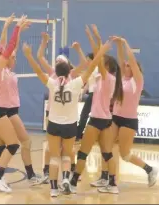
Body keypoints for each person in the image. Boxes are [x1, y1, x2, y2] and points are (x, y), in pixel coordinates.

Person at [23, 37, 111, 197]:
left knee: (54, 157)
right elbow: (91, 67)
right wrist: (101, 52)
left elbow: (37, 70)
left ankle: (54, 189)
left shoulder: (52, 83)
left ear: (56, 72)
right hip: (70, 126)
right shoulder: (76, 83)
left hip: (54, 124)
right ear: (69, 70)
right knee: (66, 155)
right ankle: (65, 178)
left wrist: (28, 55)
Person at [0, 14, 40, 193]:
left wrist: (8, 28)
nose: (9, 54)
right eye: (2, 52)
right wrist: (17, 27)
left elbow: (9, 46)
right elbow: (9, 46)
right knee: (13, 145)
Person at [90, 36, 158, 190]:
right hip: (116, 118)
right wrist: (119, 45)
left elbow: (130, 60)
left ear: (134, 69)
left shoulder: (138, 80)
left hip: (129, 120)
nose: (125, 66)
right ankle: (104, 177)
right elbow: (122, 60)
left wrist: (126, 43)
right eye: (125, 66)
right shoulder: (122, 79)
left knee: (125, 154)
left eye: (128, 66)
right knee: (106, 146)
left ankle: (150, 169)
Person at [69, 25, 124, 195]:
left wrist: (96, 39)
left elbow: (97, 56)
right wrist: (96, 37)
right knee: (107, 154)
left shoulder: (107, 77)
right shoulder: (109, 78)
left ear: (108, 66)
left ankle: (72, 183)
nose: (102, 63)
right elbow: (97, 56)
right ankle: (113, 184)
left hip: (97, 120)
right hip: (106, 121)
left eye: (104, 63)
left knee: (83, 153)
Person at [37, 32, 87, 183]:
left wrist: (78, 49)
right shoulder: (52, 74)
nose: (57, 62)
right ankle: (46, 172)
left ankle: (70, 170)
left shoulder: (71, 74)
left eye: (60, 61)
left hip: (67, 115)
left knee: (68, 149)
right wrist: (44, 41)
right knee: (50, 147)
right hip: (51, 112)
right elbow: (40, 58)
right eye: (56, 60)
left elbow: (85, 64)